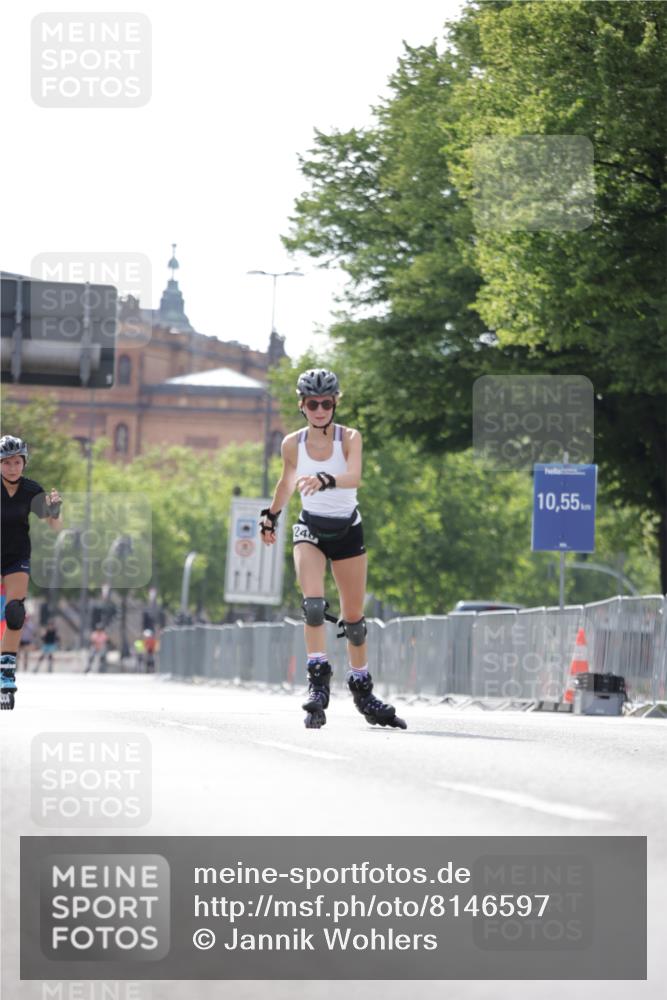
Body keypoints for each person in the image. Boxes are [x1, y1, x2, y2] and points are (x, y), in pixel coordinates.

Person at [259, 368, 406, 731]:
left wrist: (326, 479)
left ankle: (361, 687)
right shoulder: (292, 444)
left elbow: (354, 476)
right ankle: (318, 678)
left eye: (327, 403)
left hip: (347, 531)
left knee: (354, 622)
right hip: (310, 528)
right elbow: (286, 481)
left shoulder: (349, 438)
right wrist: (271, 516)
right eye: (314, 403)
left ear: (335, 403)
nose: (321, 409)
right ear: (302, 406)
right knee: (312, 605)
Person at [0, 435, 62, 708]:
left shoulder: (31, 491)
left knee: (15, 613)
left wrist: (55, 511)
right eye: (6, 462)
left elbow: (54, 526)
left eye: (17, 462)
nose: (12, 467)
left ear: (24, 463)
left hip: (16, 557)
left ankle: (6, 674)